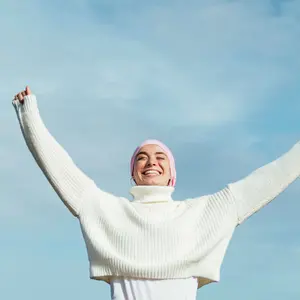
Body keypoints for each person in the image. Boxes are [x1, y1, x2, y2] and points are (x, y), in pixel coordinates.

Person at [13, 86, 300, 300]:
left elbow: (268, 180)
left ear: (172, 174)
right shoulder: (108, 212)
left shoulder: (202, 213)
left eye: (160, 157)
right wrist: (29, 115)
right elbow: (60, 169)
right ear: (133, 172)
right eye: (142, 157)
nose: (151, 162)